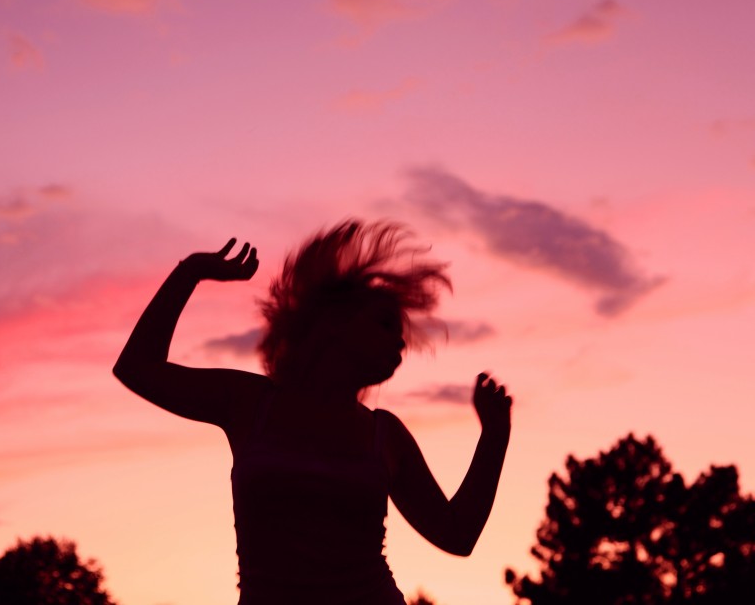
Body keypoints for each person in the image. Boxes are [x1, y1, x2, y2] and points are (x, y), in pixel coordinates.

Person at [113, 220, 512, 605]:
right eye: (385, 324)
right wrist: (192, 271)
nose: (400, 342)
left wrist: (494, 437)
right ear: (334, 323)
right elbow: (137, 368)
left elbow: (457, 535)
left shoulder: (385, 435)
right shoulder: (250, 403)